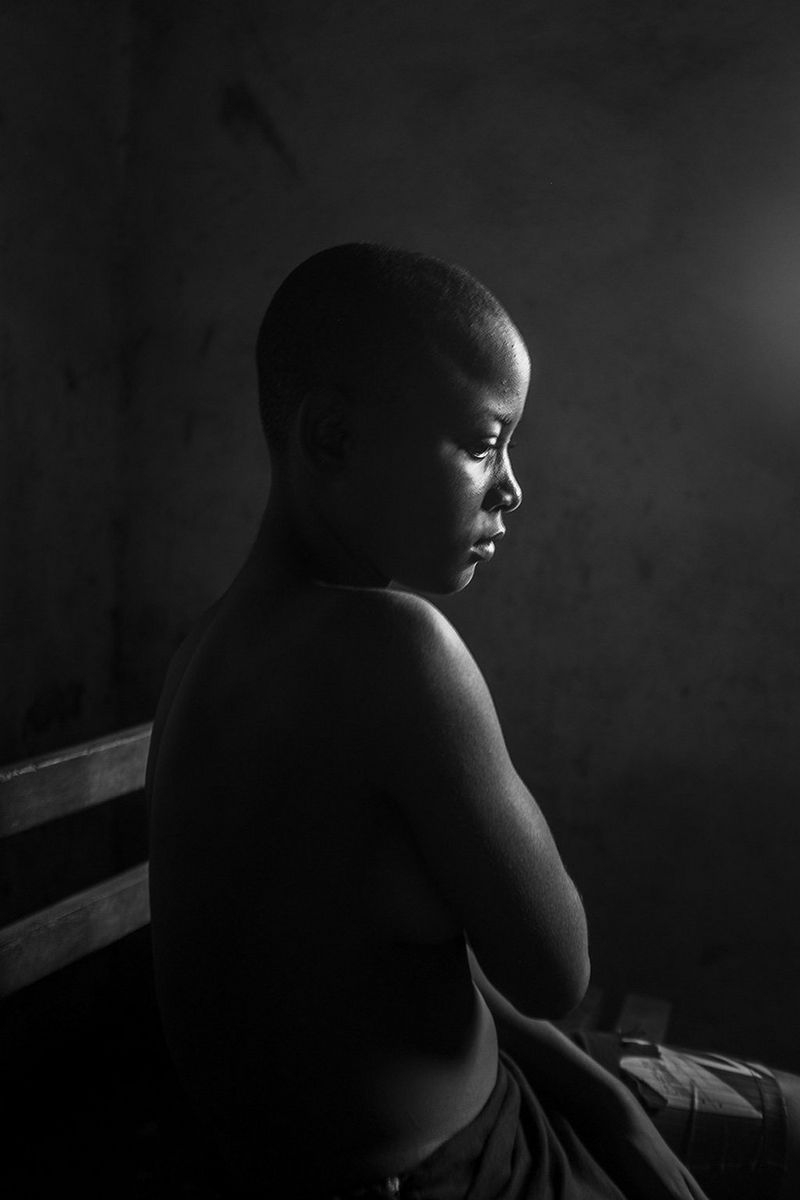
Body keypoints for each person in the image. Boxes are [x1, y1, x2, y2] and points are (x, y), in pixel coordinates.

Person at [146, 244, 794, 1199]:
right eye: (485, 444)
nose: (511, 487)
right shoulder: (396, 649)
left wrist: (610, 1109)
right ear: (333, 439)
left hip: (478, 1117)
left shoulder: (208, 648)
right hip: (462, 1172)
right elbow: (555, 972)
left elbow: (426, 967)